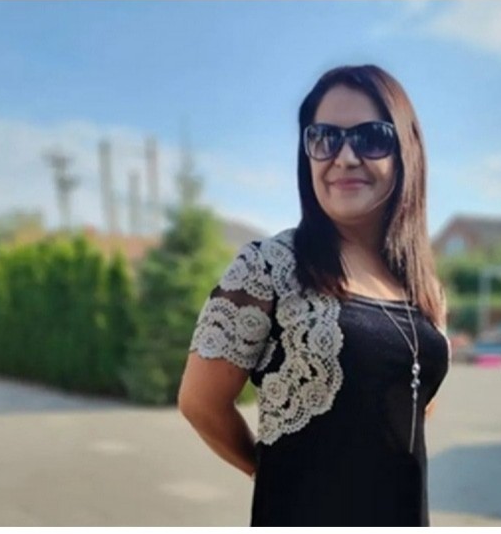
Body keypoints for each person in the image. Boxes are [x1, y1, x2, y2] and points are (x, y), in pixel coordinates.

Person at [178, 64, 450, 527]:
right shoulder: (267, 268)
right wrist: (273, 473)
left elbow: (414, 400)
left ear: (406, 151)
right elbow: (200, 403)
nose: (344, 157)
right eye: (325, 138)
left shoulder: (420, 283)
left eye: (370, 138)